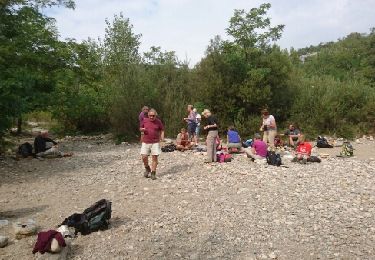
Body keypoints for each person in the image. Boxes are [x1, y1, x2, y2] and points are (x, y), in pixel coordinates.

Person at [140, 108, 164, 180]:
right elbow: (140, 128)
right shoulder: (144, 120)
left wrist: (162, 139)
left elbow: (162, 130)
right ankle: (147, 168)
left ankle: (153, 173)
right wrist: (142, 130)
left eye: (153, 116)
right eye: (150, 115)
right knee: (144, 156)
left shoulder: (158, 122)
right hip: (145, 141)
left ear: (155, 115)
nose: (151, 117)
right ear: (148, 115)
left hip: (155, 142)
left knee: (154, 158)